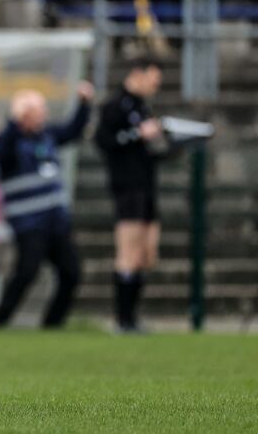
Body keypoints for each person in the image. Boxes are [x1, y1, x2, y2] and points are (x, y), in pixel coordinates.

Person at [0, 82, 95, 329]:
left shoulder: (47, 135)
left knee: (71, 272)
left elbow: (73, 131)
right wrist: (13, 121)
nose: (43, 115)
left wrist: (84, 105)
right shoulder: (8, 141)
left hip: (55, 221)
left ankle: (53, 324)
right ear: (24, 115)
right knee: (26, 273)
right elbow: (0, 153)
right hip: (29, 223)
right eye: (37, 110)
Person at [94, 57, 164, 333]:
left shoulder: (143, 107)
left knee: (147, 254)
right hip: (127, 188)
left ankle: (133, 318)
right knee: (129, 252)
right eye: (153, 80)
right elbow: (104, 141)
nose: (155, 87)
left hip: (147, 187)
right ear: (138, 73)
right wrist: (137, 134)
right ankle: (123, 320)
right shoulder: (115, 106)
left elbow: (150, 149)